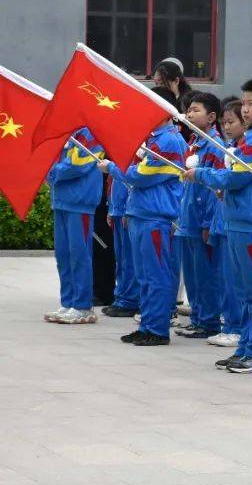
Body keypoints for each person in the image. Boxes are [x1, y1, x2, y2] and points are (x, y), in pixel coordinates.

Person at [186, 76, 252, 373]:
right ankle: (245, 346)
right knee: (244, 290)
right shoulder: (250, 138)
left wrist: (201, 175)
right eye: (245, 103)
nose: (245, 110)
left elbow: (236, 178)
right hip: (240, 222)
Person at [100, 89, 186, 345]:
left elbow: (142, 176)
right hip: (142, 214)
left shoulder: (169, 141)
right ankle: (148, 324)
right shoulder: (155, 139)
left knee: (156, 274)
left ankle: (157, 329)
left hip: (156, 217)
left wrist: (112, 168)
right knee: (144, 275)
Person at [174, 92, 225, 340]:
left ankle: (209, 320)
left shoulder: (215, 146)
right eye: (188, 110)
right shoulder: (194, 142)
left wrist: (207, 222)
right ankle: (197, 317)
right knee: (193, 274)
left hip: (201, 220)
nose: (189, 115)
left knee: (205, 274)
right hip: (188, 219)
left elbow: (214, 190)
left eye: (195, 110)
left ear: (212, 116)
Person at [44, 128, 104, 325]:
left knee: (79, 255)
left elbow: (80, 164)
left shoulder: (90, 134)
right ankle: (68, 302)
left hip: (80, 201)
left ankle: (82, 306)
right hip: (61, 199)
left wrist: (52, 171)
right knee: (63, 255)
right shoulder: (65, 132)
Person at [205, 98, 245, 349]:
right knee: (226, 278)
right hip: (224, 220)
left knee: (238, 281)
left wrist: (202, 175)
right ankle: (229, 323)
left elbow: (234, 180)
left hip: (240, 222)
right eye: (224, 122)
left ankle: (236, 327)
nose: (226, 127)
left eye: (231, 122)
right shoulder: (231, 148)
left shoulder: (248, 148)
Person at [101, 168, 137, 317]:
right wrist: (111, 208)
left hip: (126, 211)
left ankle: (130, 300)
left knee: (129, 260)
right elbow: (112, 182)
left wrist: (127, 210)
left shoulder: (137, 152)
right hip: (118, 210)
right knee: (121, 259)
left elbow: (133, 183)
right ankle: (121, 296)